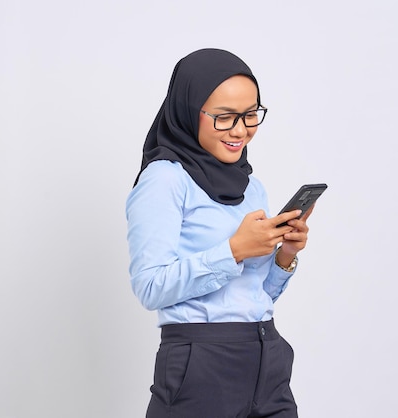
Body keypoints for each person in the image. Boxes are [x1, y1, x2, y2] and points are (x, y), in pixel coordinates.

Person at [126, 48, 314, 418]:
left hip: (267, 355)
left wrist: (285, 256)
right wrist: (233, 251)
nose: (241, 130)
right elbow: (149, 287)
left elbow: (254, 295)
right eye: (225, 118)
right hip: (202, 364)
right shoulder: (164, 180)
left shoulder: (251, 186)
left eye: (250, 115)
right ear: (188, 110)